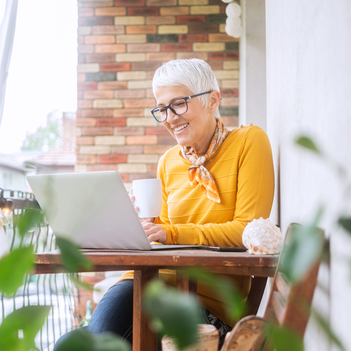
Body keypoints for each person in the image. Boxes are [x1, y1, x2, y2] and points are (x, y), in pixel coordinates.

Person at [54, 58, 274, 350]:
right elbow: (165, 236)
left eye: (179, 104)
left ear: (213, 100)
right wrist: (140, 227)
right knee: (71, 343)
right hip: (146, 284)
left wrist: (169, 234)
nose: (169, 118)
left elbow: (247, 231)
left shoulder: (249, 141)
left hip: (206, 309)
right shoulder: (169, 161)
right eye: (161, 109)